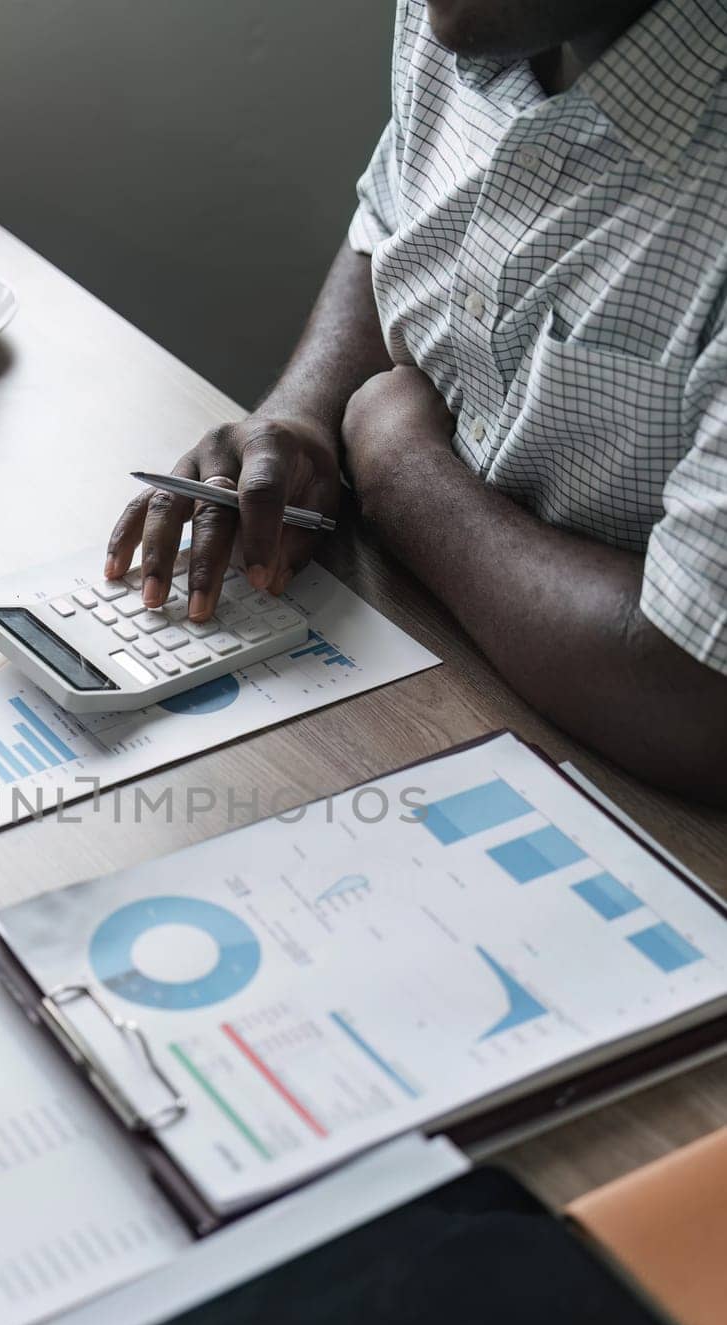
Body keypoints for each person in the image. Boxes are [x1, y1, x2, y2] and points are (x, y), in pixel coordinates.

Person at [105, 0, 727, 803]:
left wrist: (404, 474)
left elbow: (693, 703)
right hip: (430, 656)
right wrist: (301, 414)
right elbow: (398, 223)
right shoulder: (476, 14)